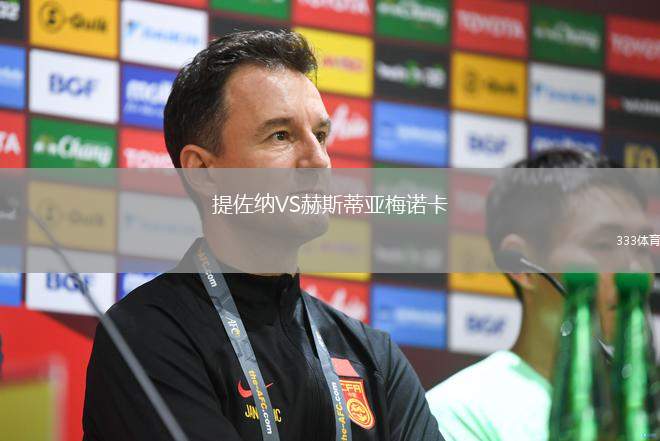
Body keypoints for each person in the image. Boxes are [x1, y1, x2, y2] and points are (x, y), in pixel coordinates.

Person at [83, 30, 441, 441]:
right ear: (203, 171)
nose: (318, 161)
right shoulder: (145, 336)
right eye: (281, 135)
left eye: (321, 135)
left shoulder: (374, 358)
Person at [426, 149, 655, 440]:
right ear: (522, 266)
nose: (635, 272)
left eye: (641, 247)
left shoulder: (645, 406)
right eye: (604, 245)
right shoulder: (459, 412)